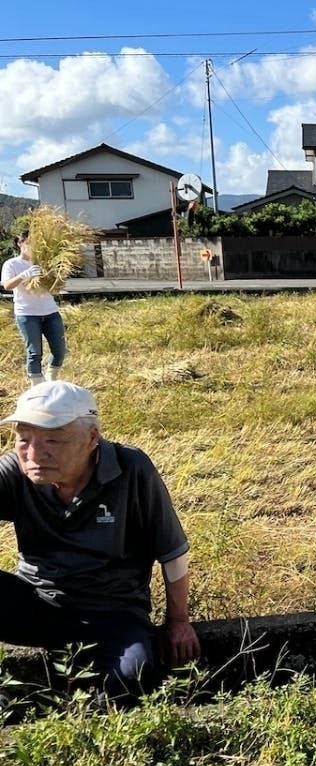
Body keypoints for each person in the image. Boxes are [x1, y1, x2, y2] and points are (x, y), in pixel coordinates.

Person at [0, 381, 200, 695]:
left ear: (92, 438)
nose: (34, 453)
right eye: (24, 439)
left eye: (53, 439)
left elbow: (172, 552)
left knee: (134, 677)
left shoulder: (130, 468)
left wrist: (178, 621)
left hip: (112, 611)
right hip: (37, 602)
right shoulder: (16, 470)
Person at [2, 230, 67, 386]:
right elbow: (7, 285)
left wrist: (55, 276)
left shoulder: (43, 262)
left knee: (59, 350)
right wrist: (24, 275)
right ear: (20, 243)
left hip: (50, 311)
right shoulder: (12, 264)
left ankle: (51, 378)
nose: (31, 246)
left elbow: (55, 287)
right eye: (28, 242)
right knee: (34, 352)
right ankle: (37, 386)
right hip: (27, 314)